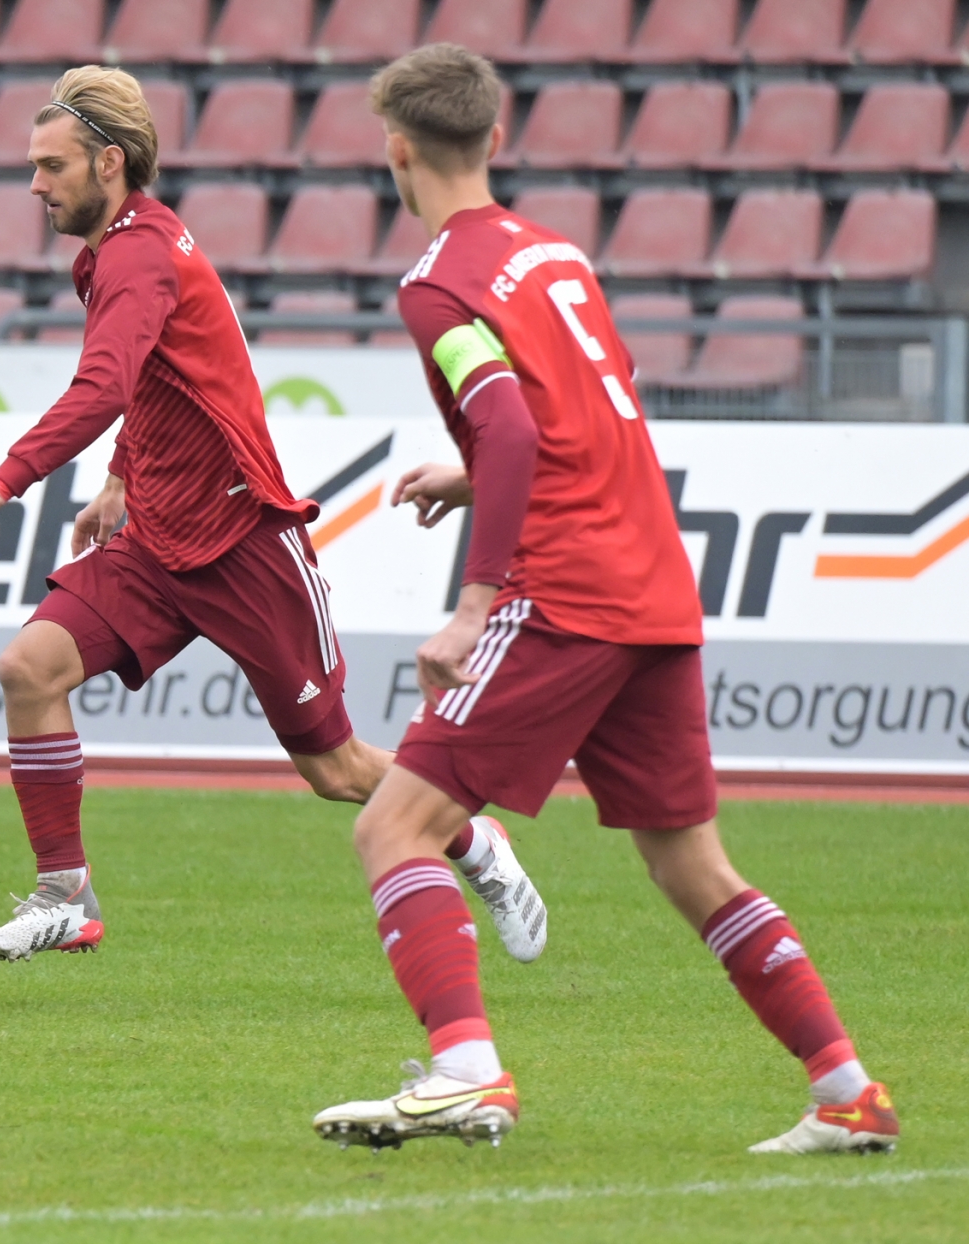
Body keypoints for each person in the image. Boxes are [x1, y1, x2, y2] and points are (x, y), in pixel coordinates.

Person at [310, 45, 896, 1156]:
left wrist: (476, 599)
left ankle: (465, 1070)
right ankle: (846, 1090)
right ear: (496, 137)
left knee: (395, 825)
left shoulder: (439, 280)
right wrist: (474, 471)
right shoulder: (554, 252)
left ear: (396, 151)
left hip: (563, 589)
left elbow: (517, 424)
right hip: (653, 584)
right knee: (692, 862)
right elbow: (580, 405)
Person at [0, 66, 547, 966]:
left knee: (334, 771)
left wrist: (8, 479)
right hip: (154, 541)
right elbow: (154, 385)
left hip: (239, 539)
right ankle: (64, 895)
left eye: (50, 165)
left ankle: (478, 846)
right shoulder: (110, 252)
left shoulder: (139, 254)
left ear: (108, 162)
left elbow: (102, 382)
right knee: (28, 669)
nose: (33, 184)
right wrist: (118, 479)